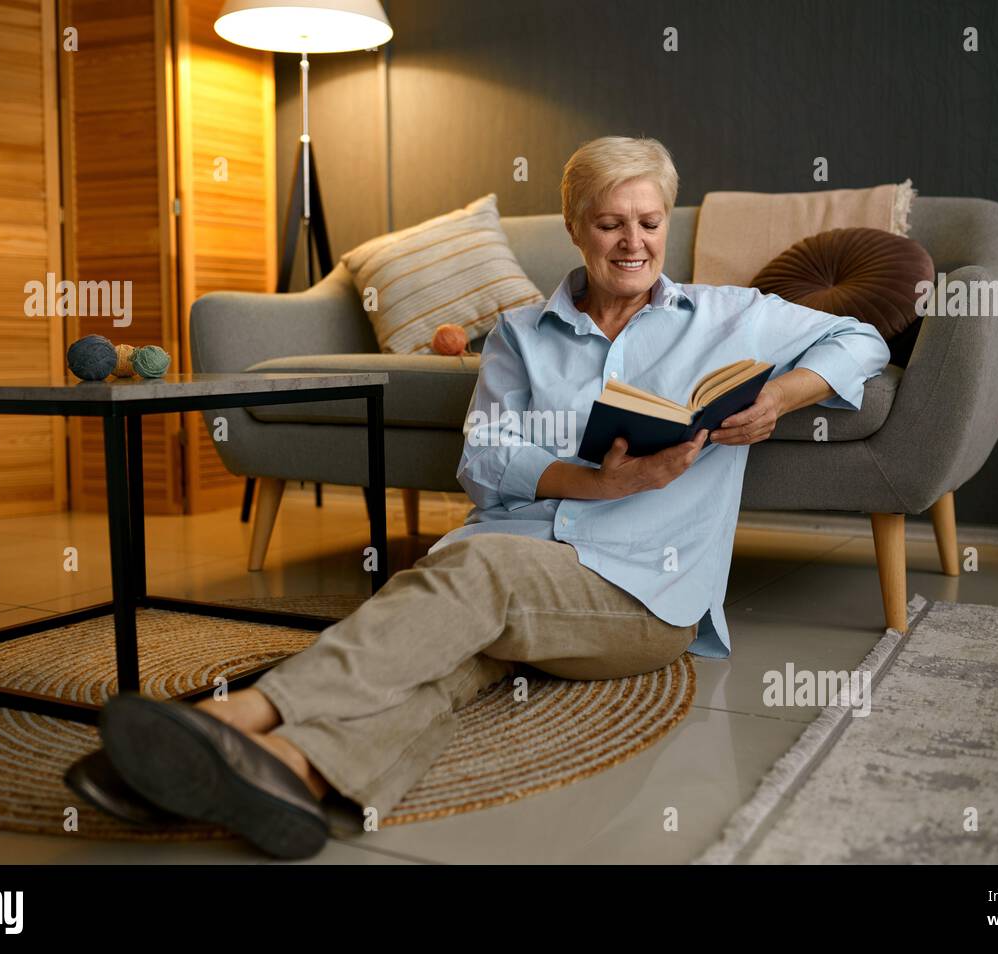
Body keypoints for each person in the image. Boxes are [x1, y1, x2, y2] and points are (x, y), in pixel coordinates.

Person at [81, 135, 891, 859]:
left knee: (478, 578)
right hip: (520, 561)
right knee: (449, 650)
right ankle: (295, 774)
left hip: (643, 595)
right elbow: (488, 457)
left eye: (648, 221)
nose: (633, 241)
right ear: (574, 228)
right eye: (610, 222)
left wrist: (781, 398)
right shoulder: (519, 335)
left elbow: (863, 338)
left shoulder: (728, 318)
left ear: (666, 227)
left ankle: (234, 722)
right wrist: (599, 480)